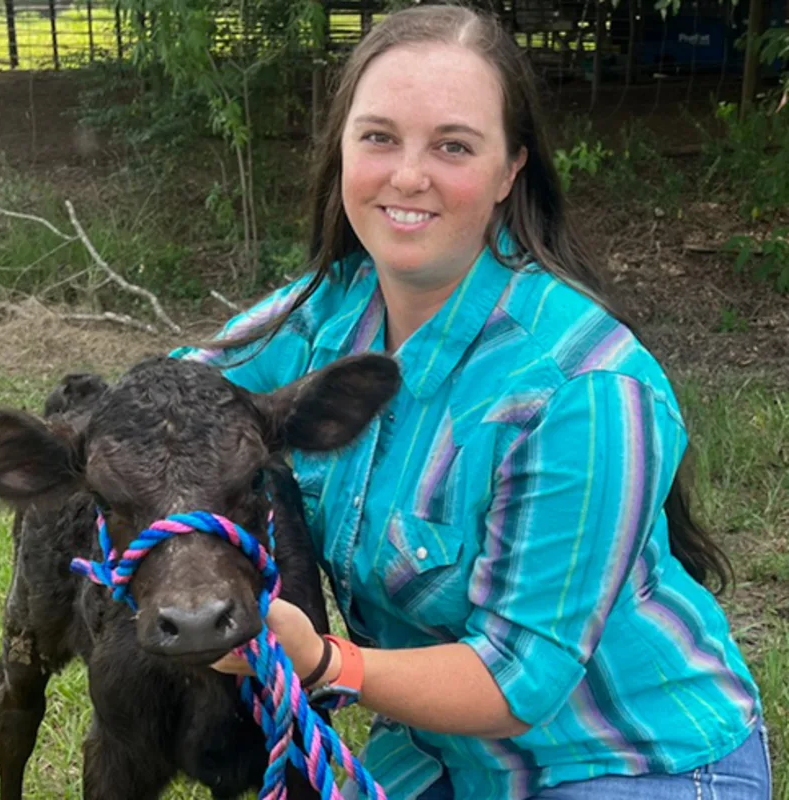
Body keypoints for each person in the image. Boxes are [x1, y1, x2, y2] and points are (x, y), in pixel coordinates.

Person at [173, 5, 770, 798]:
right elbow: (174, 397)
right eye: (379, 137)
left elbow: (519, 682)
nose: (408, 175)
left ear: (510, 170)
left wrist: (322, 661)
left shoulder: (583, 389)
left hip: (627, 758)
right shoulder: (323, 316)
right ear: (342, 149)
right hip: (442, 751)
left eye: (452, 146)